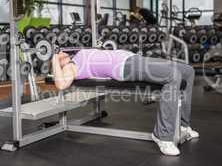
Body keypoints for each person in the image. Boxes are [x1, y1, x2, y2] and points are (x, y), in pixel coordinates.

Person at [52, 49, 199, 156]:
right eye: (59, 55)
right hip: (124, 68)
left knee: (188, 70)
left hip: (133, 58)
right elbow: (60, 84)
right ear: (59, 64)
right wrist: (54, 58)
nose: (61, 53)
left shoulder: (78, 55)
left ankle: (183, 125)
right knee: (173, 75)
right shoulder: (72, 67)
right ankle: (163, 136)